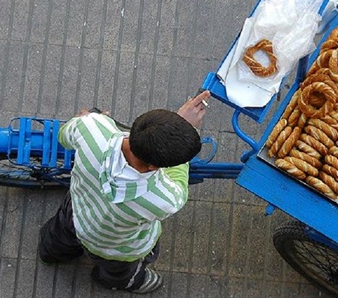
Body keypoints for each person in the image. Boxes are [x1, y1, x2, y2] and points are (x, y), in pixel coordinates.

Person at [38, 90, 212, 294]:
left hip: (78, 213)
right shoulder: (165, 199)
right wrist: (184, 131)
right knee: (120, 271)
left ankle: (50, 252)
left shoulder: (92, 128)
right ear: (154, 167)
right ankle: (117, 281)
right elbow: (179, 182)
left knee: (60, 235)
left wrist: (174, 126)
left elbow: (64, 135)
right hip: (116, 249)